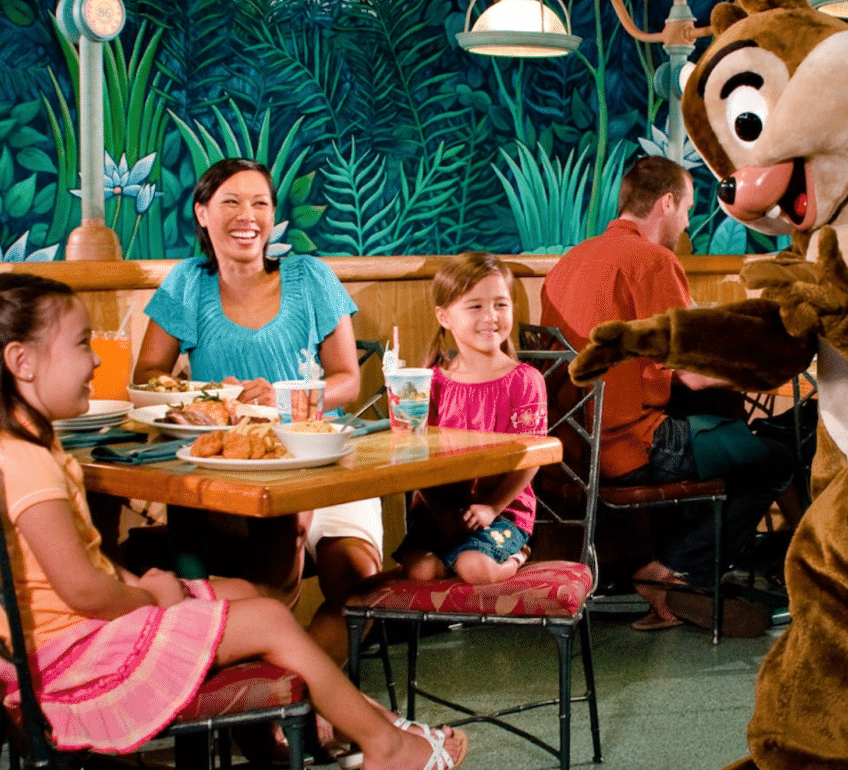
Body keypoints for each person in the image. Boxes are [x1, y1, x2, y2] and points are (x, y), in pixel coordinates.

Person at [0, 271, 467, 770]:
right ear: (21, 361)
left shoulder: (17, 445)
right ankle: (383, 744)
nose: (95, 363)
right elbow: (82, 590)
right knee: (270, 620)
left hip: (59, 644)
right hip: (71, 662)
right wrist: (151, 598)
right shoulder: (28, 463)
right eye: (82, 344)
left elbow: (79, 564)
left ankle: (363, 725)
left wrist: (137, 583)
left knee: (252, 594)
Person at [133, 158, 381, 667]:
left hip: (323, 455)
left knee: (358, 585)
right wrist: (210, 395)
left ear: (272, 216)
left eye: (260, 203)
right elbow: (146, 377)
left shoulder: (311, 276)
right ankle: (288, 713)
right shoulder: (187, 284)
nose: (247, 215)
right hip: (239, 473)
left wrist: (284, 398)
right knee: (270, 574)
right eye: (230, 202)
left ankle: (303, 703)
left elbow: (348, 380)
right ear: (202, 213)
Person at [541, 154, 794, 634]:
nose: (686, 221)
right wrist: (764, 361)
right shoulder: (653, 260)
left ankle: (686, 567)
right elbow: (695, 373)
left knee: (730, 432)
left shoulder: (570, 262)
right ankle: (676, 572)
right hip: (634, 445)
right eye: (686, 209)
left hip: (576, 449)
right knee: (775, 455)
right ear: (666, 202)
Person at [394, 252, 545, 585]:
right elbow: (415, 455)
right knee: (419, 571)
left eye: (501, 305)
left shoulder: (524, 379)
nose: (490, 316)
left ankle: (518, 554)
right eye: (475, 306)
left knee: (474, 568)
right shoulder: (430, 382)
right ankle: (455, 557)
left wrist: (491, 507)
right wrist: (440, 512)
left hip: (503, 510)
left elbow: (532, 457)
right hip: (438, 509)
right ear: (444, 317)